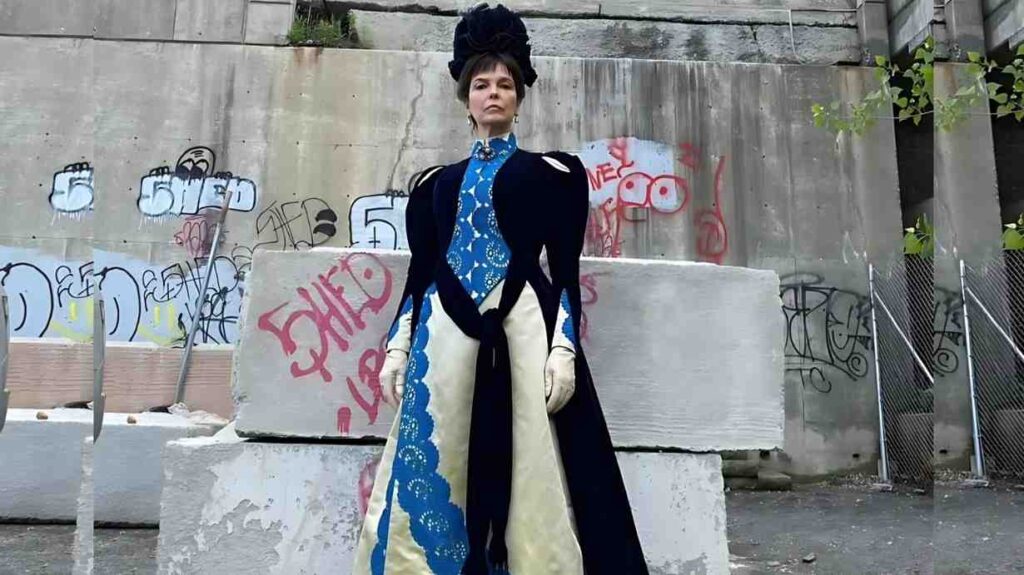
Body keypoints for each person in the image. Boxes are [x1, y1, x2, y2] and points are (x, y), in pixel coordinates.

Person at [352, 4, 648, 574]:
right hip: (444, 330)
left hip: (524, 326)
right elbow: (421, 271)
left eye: (504, 84)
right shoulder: (435, 186)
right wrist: (397, 342)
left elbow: (564, 271)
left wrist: (563, 348)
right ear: (465, 97)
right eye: (481, 84)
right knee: (436, 451)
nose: (493, 93)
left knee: (535, 457)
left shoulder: (554, 176)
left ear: (518, 97)